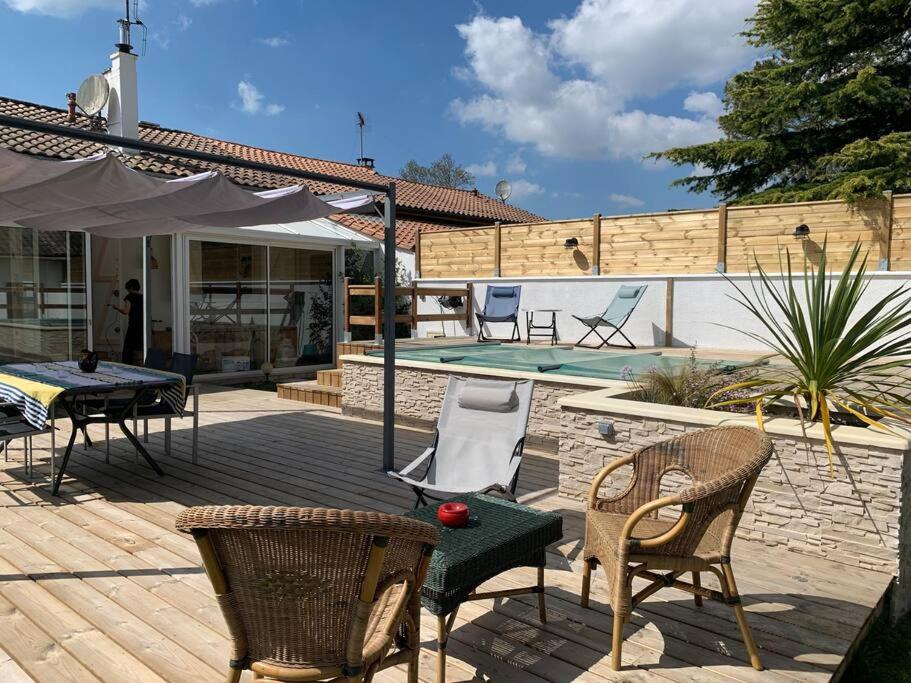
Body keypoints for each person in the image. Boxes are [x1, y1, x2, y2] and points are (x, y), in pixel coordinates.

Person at [110, 278, 143, 365]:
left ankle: (127, 365)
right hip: (143, 326)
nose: (127, 291)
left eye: (128, 289)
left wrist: (116, 308)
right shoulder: (143, 297)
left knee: (129, 348)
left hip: (133, 325)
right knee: (140, 347)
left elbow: (126, 311)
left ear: (131, 288)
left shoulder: (130, 297)